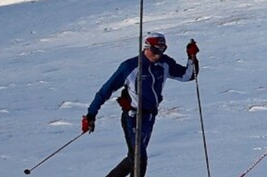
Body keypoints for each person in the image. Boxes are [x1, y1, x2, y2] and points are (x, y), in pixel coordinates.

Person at [83, 32, 199, 177]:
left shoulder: (164, 64)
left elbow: (188, 75)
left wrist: (191, 57)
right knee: (139, 159)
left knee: (133, 158)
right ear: (147, 47)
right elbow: (105, 91)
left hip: (149, 118)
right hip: (132, 117)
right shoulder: (130, 67)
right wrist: (91, 114)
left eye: (163, 49)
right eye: (157, 49)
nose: (159, 53)